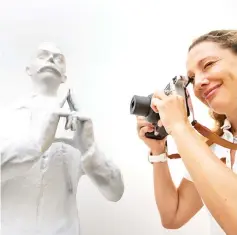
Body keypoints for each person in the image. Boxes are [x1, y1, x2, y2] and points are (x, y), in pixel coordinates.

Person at [1, 42, 124, 235]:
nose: (50, 59)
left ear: (64, 76)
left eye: (58, 58)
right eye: (43, 55)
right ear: (28, 69)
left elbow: (115, 191)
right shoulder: (6, 117)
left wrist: (90, 149)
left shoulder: (76, 123)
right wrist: (37, 144)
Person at [136, 30, 237, 235]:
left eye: (208, 65)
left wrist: (180, 127)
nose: (198, 83)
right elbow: (174, 215)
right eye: (191, 78)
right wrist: (158, 151)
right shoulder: (216, 145)